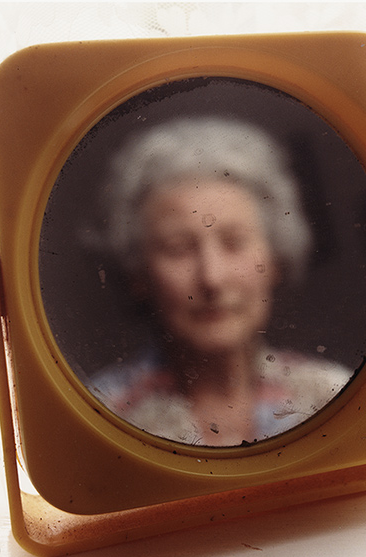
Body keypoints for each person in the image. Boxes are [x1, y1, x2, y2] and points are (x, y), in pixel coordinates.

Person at [89, 116, 351, 447]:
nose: (212, 278)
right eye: (178, 248)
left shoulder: (335, 398)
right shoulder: (98, 419)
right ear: (139, 273)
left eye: (234, 242)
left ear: (274, 258)